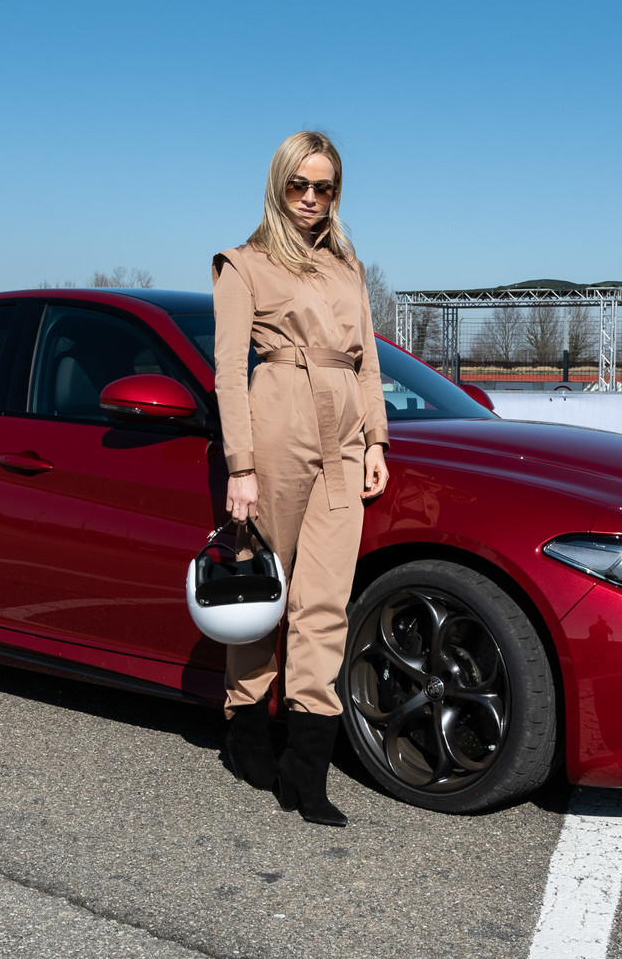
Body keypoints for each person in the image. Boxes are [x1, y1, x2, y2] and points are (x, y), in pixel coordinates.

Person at [211, 131, 389, 827]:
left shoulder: (348, 265)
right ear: (278, 184)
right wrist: (241, 466)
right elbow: (230, 371)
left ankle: (305, 766)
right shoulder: (244, 264)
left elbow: (368, 359)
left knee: (324, 602)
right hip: (278, 419)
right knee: (265, 590)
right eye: (300, 185)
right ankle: (246, 730)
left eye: (326, 188)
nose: (312, 199)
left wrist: (376, 437)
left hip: (343, 434)